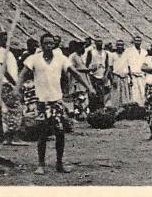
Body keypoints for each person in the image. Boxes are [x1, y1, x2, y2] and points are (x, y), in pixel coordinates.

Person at [14, 33, 95, 175]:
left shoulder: (61, 59)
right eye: (46, 43)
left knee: (60, 132)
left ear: (54, 44)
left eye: (51, 43)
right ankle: (40, 164)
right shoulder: (34, 59)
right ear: (41, 44)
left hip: (56, 100)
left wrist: (89, 87)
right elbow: (23, 73)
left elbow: (75, 73)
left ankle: (59, 163)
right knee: (42, 133)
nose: (49, 46)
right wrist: (17, 88)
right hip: (41, 101)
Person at [0, 35, 21, 145]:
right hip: (7, 84)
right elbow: (3, 70)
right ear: (0, 40)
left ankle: (10, 137)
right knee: (14, 109)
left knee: (12, 109)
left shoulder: (7, 52)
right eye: (4, 39)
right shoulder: (2, 52)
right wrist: (14, 83)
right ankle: (11, 137)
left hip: (8, 83)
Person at [67, 42, 92, 120]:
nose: (83, 49)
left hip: (83, 79)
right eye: (81, 47)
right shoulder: (73, 56)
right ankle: (78, 116)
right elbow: (71, 69)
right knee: (78, 98)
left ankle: (84, 115)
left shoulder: (80, 56)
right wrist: (86, 70)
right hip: (76, 80)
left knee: (84, 97)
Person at [85, 38, 109, 111]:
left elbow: (107, 65)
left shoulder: (105, 53)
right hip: (93, 75)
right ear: (95, 43)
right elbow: (87, 64)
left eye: (100, 41)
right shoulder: (91, 52)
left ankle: (101, 110)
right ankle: (92, 110)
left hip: (102, 75)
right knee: (93, 93)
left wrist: (105, 76)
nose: (99, 43)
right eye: (97, 41)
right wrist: (89, 74)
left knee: (102, 94)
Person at [107, 40, 132, 108]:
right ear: (116, 46)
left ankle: (124, 111)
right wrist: (112, 80)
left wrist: (131, 78)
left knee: (125, 94)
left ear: (123, 46)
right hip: (116, 77)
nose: (120, 46)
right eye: (118, 45)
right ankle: (115, 110)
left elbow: (129, 67)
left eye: (121, 45)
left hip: (125, 77)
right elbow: (110, 68)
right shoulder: (112, 55)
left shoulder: (127, 55)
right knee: (116, 95)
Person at [125, 37, 148, 106]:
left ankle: (142, 108)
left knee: (142, 93)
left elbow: (146, 64)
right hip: (133, 75)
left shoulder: (144, 52)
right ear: (133, 41)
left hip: (142, 75)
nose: (138, 42)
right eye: (136, 41)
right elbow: (127, 64)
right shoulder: (128, 51)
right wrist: (129, 76)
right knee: (134, 94)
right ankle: (135, 109)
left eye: (139, 41)